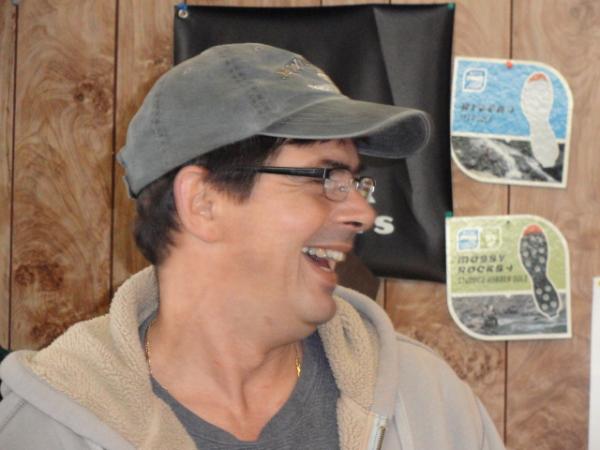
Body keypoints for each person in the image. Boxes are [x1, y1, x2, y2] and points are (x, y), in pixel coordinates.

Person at [0, 43, 505, 450]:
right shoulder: (47, 428)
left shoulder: (428, 402)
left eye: (356, 182)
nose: (363, 213)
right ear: (203, 202)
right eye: (326, 177)